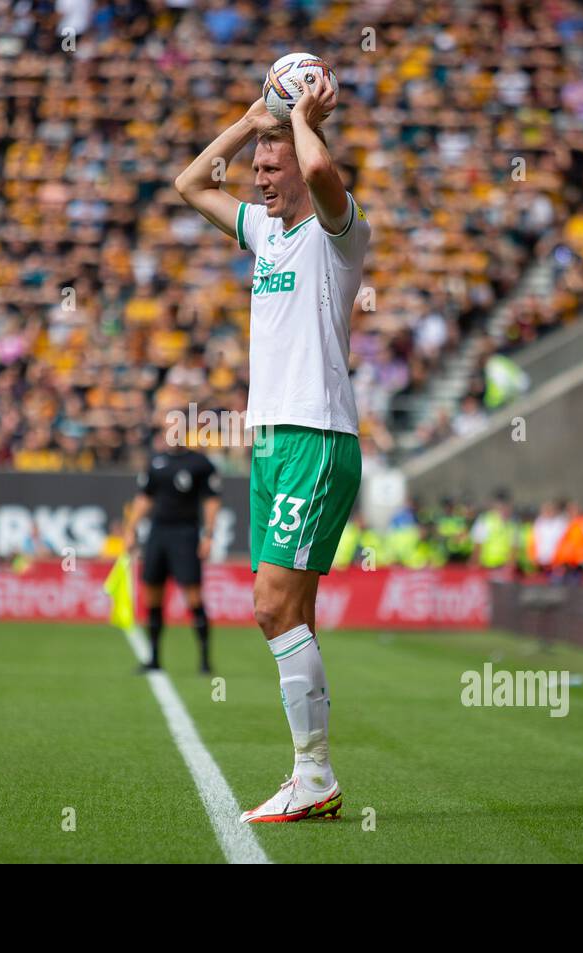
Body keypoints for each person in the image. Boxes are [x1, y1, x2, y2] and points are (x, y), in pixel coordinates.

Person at [175, 75, 368, 823]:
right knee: (296, 613)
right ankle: (311, 775)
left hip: (317, 435)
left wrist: (305, 122)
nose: (259, 169)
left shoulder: (338, 229)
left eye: (270, 157)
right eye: (256, 158)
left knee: (268, 607)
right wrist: (249, 121)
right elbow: (190, 182)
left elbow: (322, 173)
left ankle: (314, 774)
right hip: (273, 439)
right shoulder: (264, 230)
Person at [122, 415, 222, 674]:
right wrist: (131, 529)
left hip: (185, 534)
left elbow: (211, 501)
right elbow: (144, 498)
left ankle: (205, 659)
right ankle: (154, 658)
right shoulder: (155, 463)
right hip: (158, 533)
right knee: (152, 593)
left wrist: (209, 535)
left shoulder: (200, 464)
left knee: (193, 596)